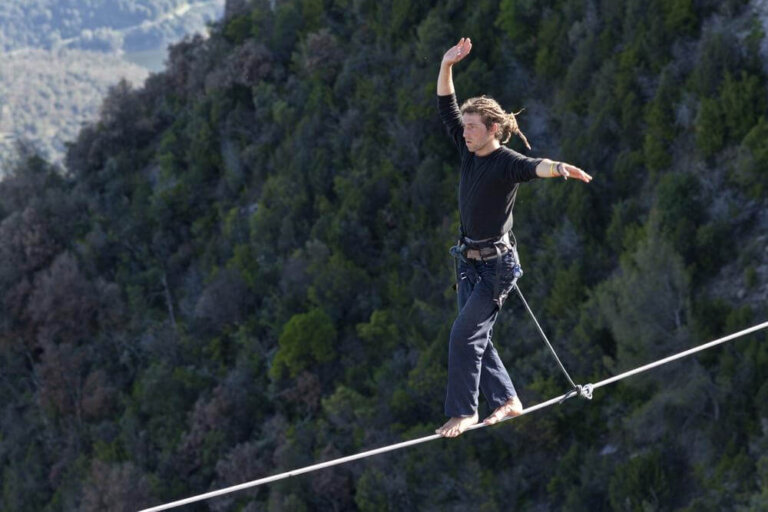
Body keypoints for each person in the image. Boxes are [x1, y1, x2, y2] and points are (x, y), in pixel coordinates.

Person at [435, 37, 592, 438]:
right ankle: (507, 400)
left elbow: (534, 166)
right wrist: (446, 65)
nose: (465, 133)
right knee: (476, 337)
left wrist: (560, 169)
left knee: (463, 334)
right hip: (468, 262)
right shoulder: (469, 149)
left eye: (473, 128)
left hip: (495, 269)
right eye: (465, 127)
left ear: (493, 130)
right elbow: (446, 107)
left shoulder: (505, 163)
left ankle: (464, 412)